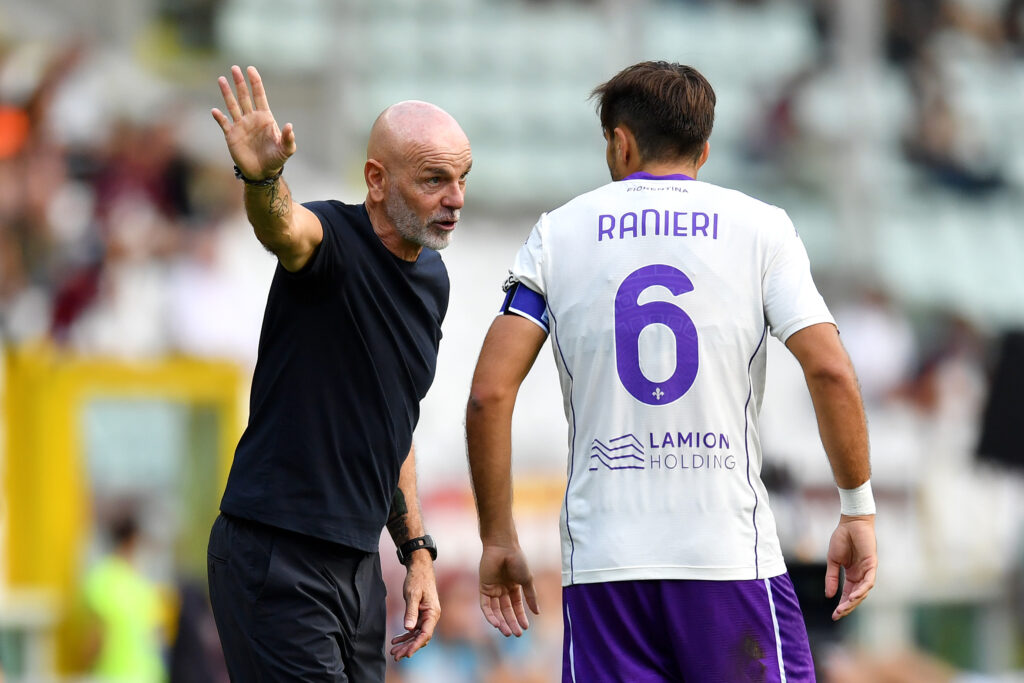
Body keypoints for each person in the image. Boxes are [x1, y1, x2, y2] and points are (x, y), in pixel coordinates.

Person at [465, 61, 876, 681]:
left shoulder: (558, 234)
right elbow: (831, 372)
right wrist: (857, 510)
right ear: (703, 150)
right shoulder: (762, 229)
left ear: (620, 142)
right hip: (728, 558)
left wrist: (498, 538)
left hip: (605, 568)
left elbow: (489, 395)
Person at [206, 65, 471, 680]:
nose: (456, 198)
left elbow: (394, 422)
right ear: (376, 180)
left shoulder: (433, 280)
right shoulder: (330, 241)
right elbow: (283, 227)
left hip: (358, 566)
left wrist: (417, 552)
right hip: (278, 551)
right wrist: (263, 177)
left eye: (462, 178)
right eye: (435, 179)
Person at [81, 512, 167, 683]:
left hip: (112, 675)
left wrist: (82, 667)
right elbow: (157, 636)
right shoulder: (144, 585)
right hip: (148, 675)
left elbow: (96, 636)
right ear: (134, 540)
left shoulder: (100, 578)